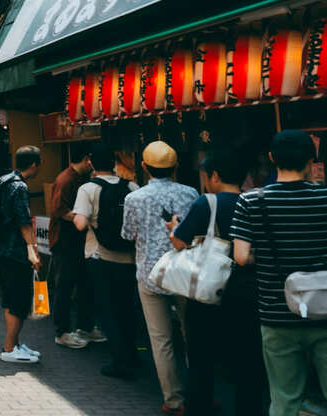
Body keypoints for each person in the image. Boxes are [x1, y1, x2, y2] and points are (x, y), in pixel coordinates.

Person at [231, 130, 327, 416]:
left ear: (272, 158)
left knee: (285, 399)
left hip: (278, 314)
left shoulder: (251, 201)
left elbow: (240, 257)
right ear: (312, 160)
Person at [169, 149, 265, 416]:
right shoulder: (254, 201)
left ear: (214, 175)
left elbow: (179, 242)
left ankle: (198, 409)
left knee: (201, 361)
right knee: (248, 362)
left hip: (208, 292)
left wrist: (173, 229)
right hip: (247, 292)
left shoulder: (206, 203)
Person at [121, 140, 198, 414]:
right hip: (186, 274)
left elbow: (128, 235)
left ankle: (174, 399)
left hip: (150, 274)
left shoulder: (134, 198)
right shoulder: (190, 193)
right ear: (176, 167)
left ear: (144, 166)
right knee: (193, 336)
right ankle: (200, 392)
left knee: (161, 339)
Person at [73, 142, 141, 380]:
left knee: (108, 309)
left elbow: (80, 223)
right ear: (114, 163)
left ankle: (120, 361)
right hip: (129, 257)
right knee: (127, 309)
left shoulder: (88, 189)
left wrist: (86, 218)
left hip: (99, 256)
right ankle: (132, 355)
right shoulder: (131, 186)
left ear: (91, 162)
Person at [0, 145, 44, 364]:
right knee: (18, 301)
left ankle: (14, 344)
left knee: (10, 299)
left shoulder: (2, 181)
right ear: (34, 165)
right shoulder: (20, 187)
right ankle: (9, 348)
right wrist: (33, 252)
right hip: (15, 252)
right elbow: (24, 223)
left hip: (0, 248)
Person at [50, 143, 99, 349]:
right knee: (65, 286)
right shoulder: (66, 179)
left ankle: (85, 327)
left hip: (78, 240)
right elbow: (59, 210)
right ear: (87, 159)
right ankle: (62, 332)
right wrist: (84, 218)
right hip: (66, 241)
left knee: (84, 284)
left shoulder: (80, 179)